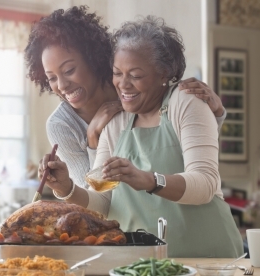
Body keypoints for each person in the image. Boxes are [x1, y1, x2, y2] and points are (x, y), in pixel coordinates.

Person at [38, 15, 243, 258]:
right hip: (138, 262)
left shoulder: (186, 102)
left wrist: (148, 180)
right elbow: (103, 202)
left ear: (164, 74)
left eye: (135, 75)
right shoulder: (115, 123)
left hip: (207, 259)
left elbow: (206, 184)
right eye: (117, 73)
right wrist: (66, 188)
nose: (123, 85)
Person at [26, 6, 226, 189]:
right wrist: (93, 140)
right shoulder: (61, 125)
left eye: (69, 70)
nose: (61, 85)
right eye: (51, 78)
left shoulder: (137, 93)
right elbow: (93, 197)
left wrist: (215, 115)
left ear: (92, 58)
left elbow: (189, 156)